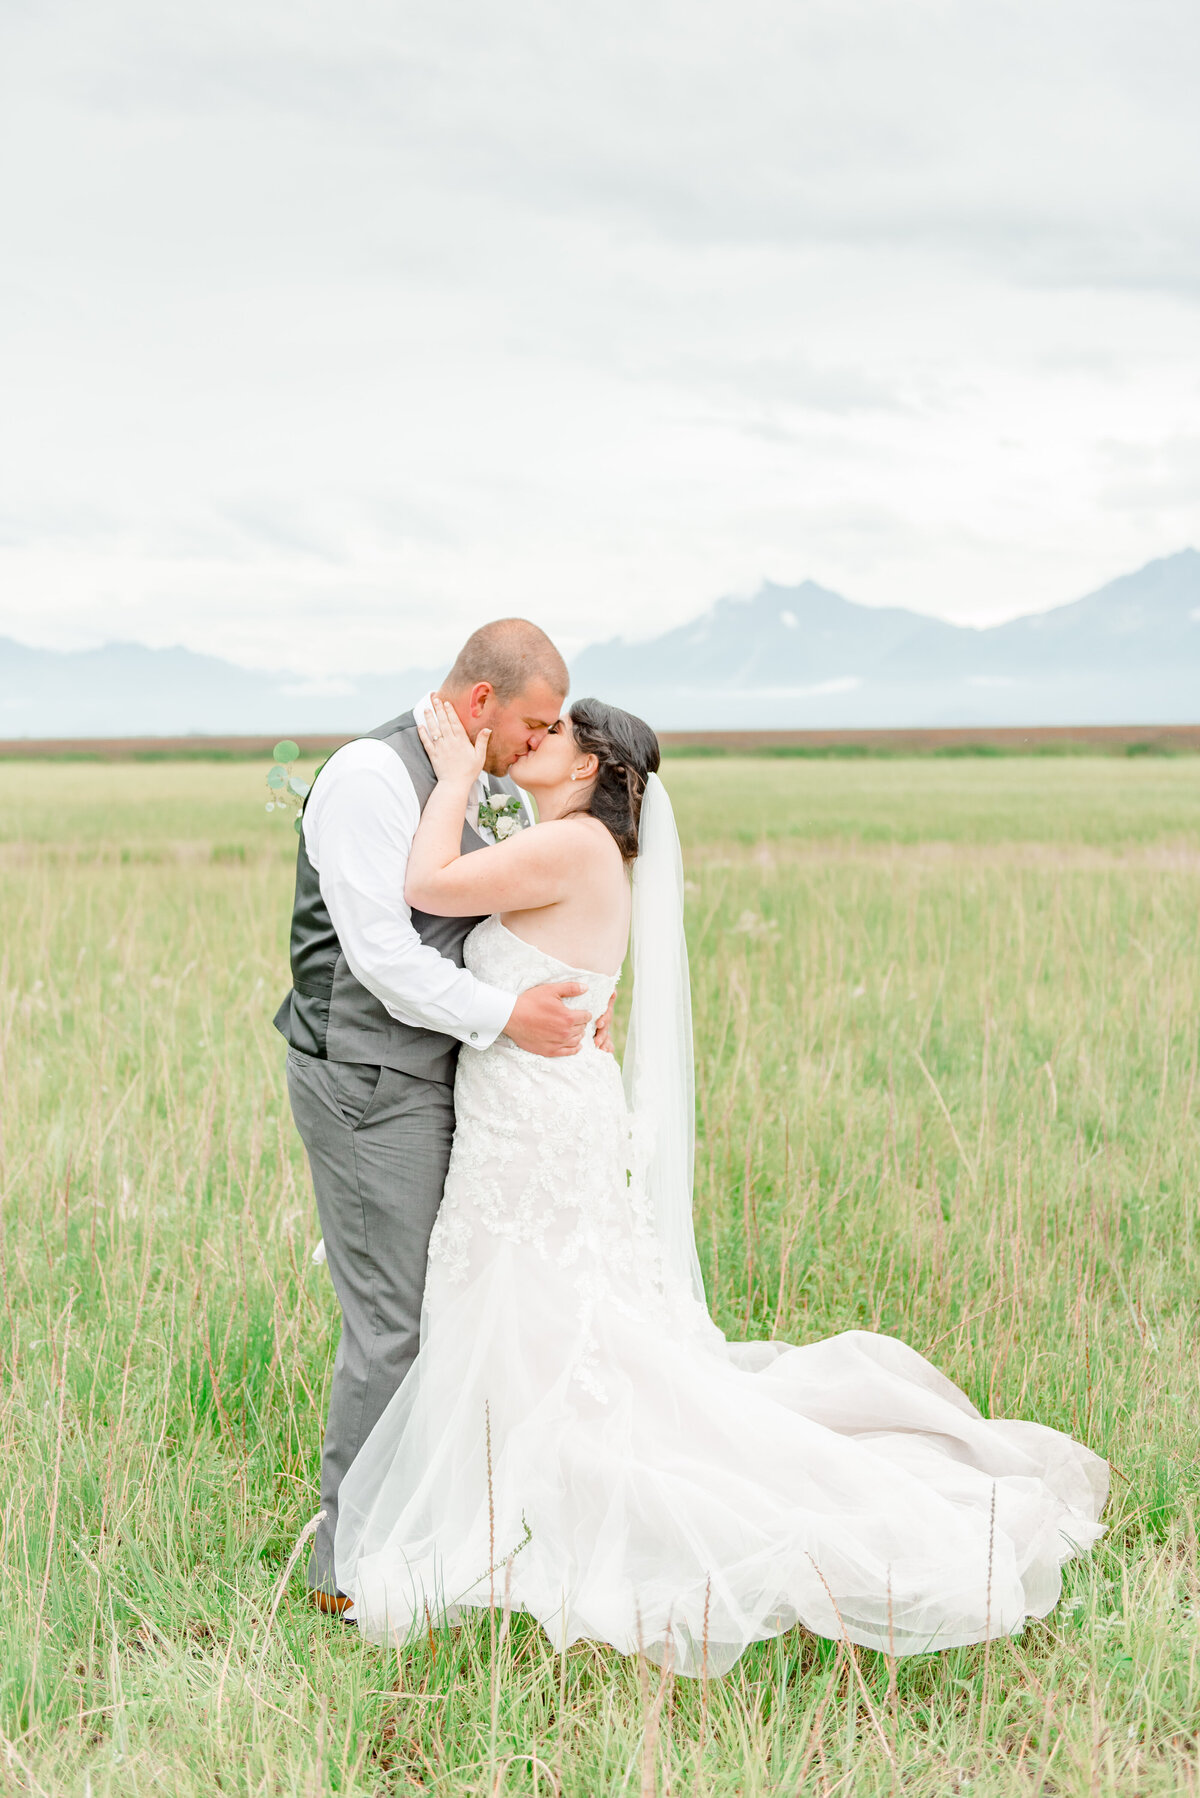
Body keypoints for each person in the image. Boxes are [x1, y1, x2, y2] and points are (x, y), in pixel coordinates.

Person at [333, 694, 1109, 1673]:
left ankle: (530, 1496)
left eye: (555, 735)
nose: (533, 741)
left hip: (536, 1122)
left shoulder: (572, 849)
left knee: (540, 1314)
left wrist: (449, 779)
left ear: (587, 770)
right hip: (533, 1110)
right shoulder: (577, 852)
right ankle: (511, 1485)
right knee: (531, 1313)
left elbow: (431, 884)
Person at [275, 619, 613, 1610]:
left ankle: (435, 1528)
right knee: (395, 1322)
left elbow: (485, 919)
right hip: (368, 1074)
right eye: (534, 723)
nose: (537, 742)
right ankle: (348, 1572)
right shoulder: (367, 781)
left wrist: (562, 990)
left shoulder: (481, 784)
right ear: (480, 705)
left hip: (437, 1072)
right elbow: (381, 954)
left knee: (452, 1304)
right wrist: (509, 1016)